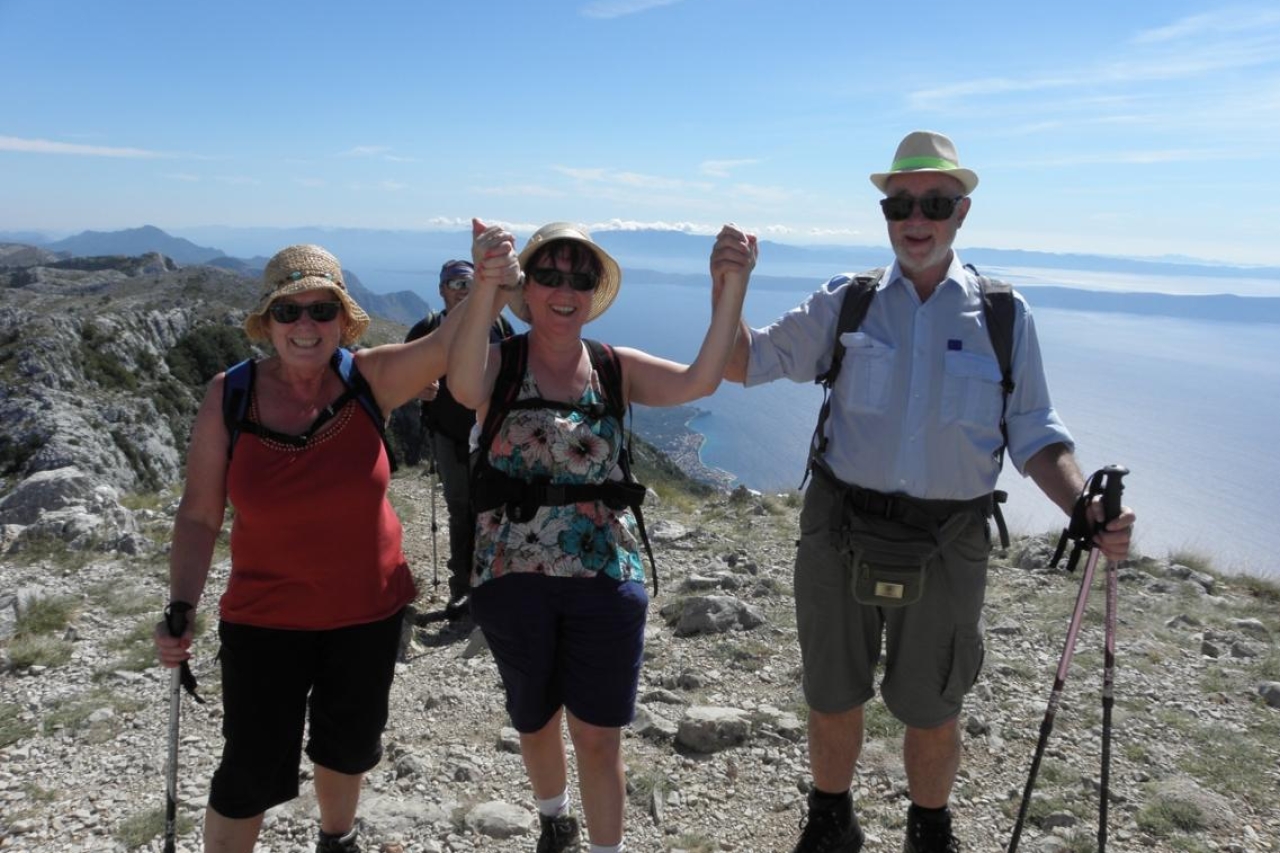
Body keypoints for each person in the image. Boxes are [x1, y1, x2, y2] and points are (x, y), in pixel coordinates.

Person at [722, 131, 1137, 853]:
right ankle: (830, 821)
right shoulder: (847, 302)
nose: (917, 219)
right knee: (832, 690)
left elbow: (1035, 431)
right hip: (840, 526)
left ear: (961, 212)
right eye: (901, 204)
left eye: (935, 204)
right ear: (886, 212)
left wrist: (1082, 506)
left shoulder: (1003, 315)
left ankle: (930, 832)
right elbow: (744, 361)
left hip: (949, 539)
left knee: (934, 704)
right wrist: (730, 287)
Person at [448, 218, 755, 853]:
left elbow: (700, 379)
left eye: (580, 279)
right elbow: (462, 387)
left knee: (599, 734)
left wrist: (733, 287)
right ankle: (555, 819)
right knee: (535, 718)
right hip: (511, 575)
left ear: (593, 293)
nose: (565, 291)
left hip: (605, 575)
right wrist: (484, 284)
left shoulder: (614, 368)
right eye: (548, 275)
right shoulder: (499, 364)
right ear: (527, 289)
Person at [153, 243, 471, 853]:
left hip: (369, 613)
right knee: (249, 767)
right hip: (265, 617)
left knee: (348, 744)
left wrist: (489, 281)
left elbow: (448, 345)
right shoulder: (230, 395)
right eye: (288, 310)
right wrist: (182, 604)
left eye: (322, 310)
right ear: (268, 322)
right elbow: (199, 515)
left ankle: (337, 838)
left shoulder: (369, 378)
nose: (305, 325)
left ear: (342, 321)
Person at [404, 259, 514, 618]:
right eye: (455, 284)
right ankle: (463, 588)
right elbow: (401, 375)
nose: (462, 291)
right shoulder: (426, 329)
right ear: (441, 290)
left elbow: (516, 370)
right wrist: (416, 387)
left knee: (490, 507)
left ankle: (490, 585)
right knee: (460, 509)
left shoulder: (499, 326)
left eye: (468, 283)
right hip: (448, 434)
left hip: (490, 434)